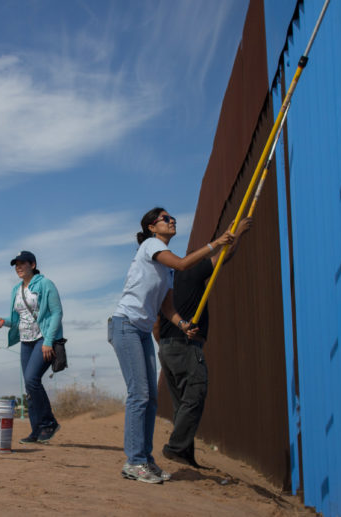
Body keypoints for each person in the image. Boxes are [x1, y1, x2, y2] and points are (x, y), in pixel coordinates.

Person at [109, 207, 235, 484]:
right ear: (152, 227)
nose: (172, 221)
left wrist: (182, 324)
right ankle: (134, 462)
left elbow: (166, 306)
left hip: (140, 331)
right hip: (125, 326)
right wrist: (217, 243)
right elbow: (183, 264)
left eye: (172, 218)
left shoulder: (164, 269)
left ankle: (145, 461)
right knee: (139, 394)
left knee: (151, 399)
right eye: (166, 219)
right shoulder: (151, 245)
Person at [156, 217, 252, 468]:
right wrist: (238, 233)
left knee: (181, 403)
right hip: (185, 346)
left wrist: (163, 345)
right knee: (196, 394)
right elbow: (223, 257)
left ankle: (184, 454)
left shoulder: (165, 280)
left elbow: (157, 321)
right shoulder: (188, 270)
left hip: (167, 347)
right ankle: (176, 448)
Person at [0, 251, 63, 445]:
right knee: (30, 387)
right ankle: (36, 431)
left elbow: (56, 313)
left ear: (32, 264)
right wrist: (2, 321)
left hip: (43, 338)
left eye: (22, 263)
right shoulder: (16, 289)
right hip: (26, 341)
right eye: (16, 264)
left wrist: (48, 341)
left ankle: (49, 423)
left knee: (32, 379)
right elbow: (17, 319)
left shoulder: (45, 284)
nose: (18, 267)